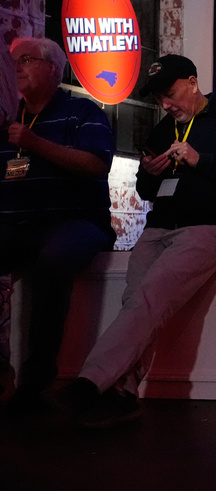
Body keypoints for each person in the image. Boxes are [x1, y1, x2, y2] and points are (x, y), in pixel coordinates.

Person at [47, 54, 216, 426]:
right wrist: (148, 176)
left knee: (149, 298)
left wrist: (201, 159)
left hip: (208, 228)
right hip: (157, 228)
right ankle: (122, 392)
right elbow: (147, 190)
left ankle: (87, 385)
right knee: (136, 301)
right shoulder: (163, 131)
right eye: (159, 99)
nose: (166, 104)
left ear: (192, 82)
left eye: (170, 94)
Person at [0, 37, 116, 414]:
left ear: (53, 68)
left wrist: (34, 142)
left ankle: (36, 379)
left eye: (27, 59)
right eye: (15, 61)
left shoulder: (82, 113)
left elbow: (96, 165)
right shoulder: (11, 123)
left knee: (53, 258)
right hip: (20, 226)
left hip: (76, 222)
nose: (17, 66)